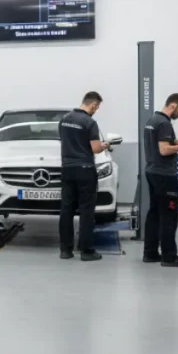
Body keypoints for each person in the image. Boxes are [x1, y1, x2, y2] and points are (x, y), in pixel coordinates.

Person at [143, 93, 178, 268]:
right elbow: (164, 150)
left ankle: (150, 253)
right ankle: (169, 256)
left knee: (154, 213)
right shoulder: (165, 123)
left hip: (152, 172)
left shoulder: (152, 120)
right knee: (169, 216)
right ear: (173, 105)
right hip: (165, 175)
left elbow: (162, 142)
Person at [58, 91, 110, 261]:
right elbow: (95, 148)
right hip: (85, 170)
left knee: (66, 210)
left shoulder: (64, 120)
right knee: (86, 211)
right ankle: (87, 251)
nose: (96, 110)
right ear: (93, 104)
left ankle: (65, 250)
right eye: (97, 107)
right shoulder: (89, 122)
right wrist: (105, 145)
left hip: (67, 169)